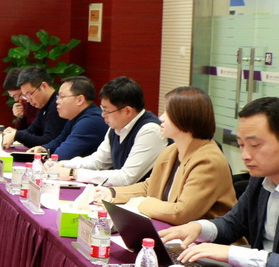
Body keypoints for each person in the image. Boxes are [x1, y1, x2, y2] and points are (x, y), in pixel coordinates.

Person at [159, 97, 279, 266]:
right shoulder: (262, 174)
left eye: (254, 145)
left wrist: (231, 253)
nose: (245, 156)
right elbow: (234, 223)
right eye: (241, 145)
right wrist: (197, 228)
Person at [92, 87, 235, 225]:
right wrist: (112, 193)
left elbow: (181, 213)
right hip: (174, 231)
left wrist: (142, 204)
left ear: (186, 117)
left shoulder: (208, 161)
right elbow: (150, 186)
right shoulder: (172, 150)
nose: (161, 118)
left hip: (206, 239)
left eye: (168, 113)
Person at [53, 76, 166, 186]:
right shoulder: (116, 126)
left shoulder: (150, 131)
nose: (103, 115)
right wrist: (63, 165)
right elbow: (98, 161)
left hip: (144, 196)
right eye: (102, 109)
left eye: (107, 111)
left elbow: (126, 178)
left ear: (127, 111)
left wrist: (74, 173)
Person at [28, 76, 107, 160]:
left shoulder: (90, 121)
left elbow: (62, 155)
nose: (57, 101)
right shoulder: (76, 116)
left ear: (80, 100)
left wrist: (48, 155)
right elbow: (60, 140)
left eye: (62, 97)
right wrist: (44, 148)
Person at [2, 67, 66, 148]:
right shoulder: (45, 105)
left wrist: (17, 135)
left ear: (44, 86)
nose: (28, 100)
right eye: (25, 96)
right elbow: (32, 130)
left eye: (29, 94)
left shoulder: (57, 106)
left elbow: (48, 142)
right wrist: (13, 133)